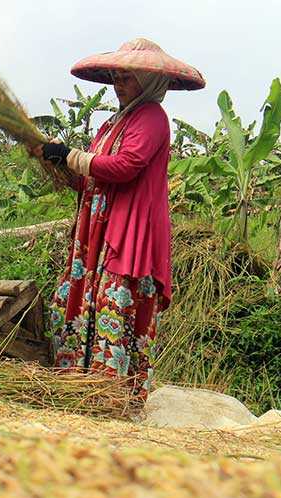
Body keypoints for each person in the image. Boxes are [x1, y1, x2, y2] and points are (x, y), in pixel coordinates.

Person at [32, 38, 205, 403]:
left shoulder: (152, 118)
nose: (117, 84)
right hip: (95, 228)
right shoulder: (111, 123)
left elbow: (125, 167)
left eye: (126, 77)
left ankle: (111, 392)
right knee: (80, 300)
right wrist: (56, 159)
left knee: (116, 298)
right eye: (115, 76)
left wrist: (72, 155)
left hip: (128, 230)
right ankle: (80, 384)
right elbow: (92, 175)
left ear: (149, 81)